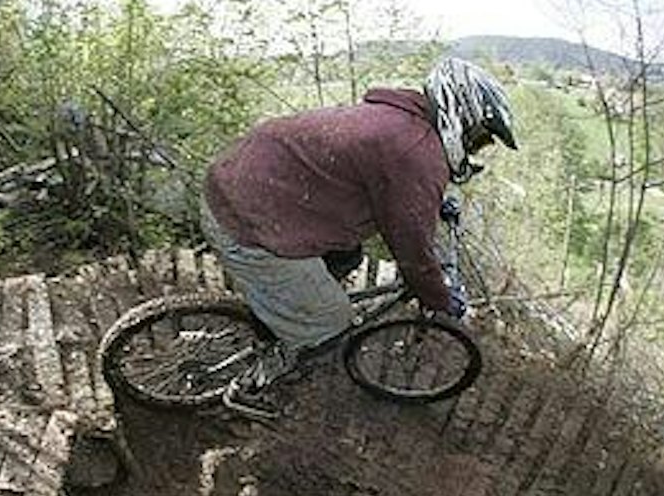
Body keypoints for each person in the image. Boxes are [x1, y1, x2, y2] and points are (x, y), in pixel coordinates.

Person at [201, 56, 518, 417]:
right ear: (461, 118)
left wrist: (432, 203)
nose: (476, 148)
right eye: (480, 138)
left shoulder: (399, 120)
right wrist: (440, 298)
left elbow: (385, 180)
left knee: (347, 256)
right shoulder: (414, 152)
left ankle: (278, 319)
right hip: (246, 221)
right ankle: (248, 388)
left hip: (241, 186)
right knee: (331, 323)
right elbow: (413, 252)